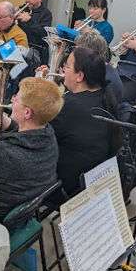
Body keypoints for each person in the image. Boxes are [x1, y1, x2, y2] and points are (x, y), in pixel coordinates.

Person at [0, 76, 64, 223]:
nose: (12, 100)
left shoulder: (5, 153)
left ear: (27, 113)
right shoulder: (48, 133)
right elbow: (17, 127)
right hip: (17, 205)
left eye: (16, 99)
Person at [51, 47, 123, 197]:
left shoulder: (69, 106)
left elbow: (38, 135)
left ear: (80, 76)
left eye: (68, 66)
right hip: (90, 180)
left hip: (64, 185)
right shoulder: (104, 95)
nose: (63, 69)